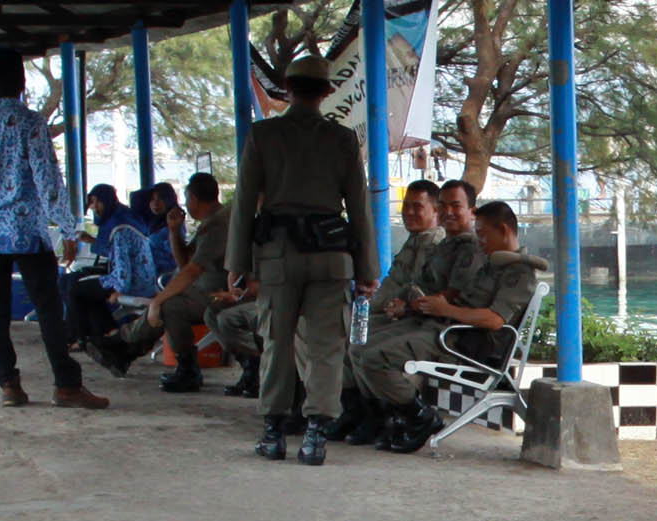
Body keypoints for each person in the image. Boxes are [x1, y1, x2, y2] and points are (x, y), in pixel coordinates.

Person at [227, 51, 376, 466]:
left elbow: (243, 206)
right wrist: (368, 269)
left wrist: (236, 264)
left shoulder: (263, 135)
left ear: (288, 90)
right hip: (331, 256)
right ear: (327, 92)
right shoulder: (343, 139)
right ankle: (315, 438)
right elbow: (359, 209)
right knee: (327, 347)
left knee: (276, 342)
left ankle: (273, 433)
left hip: (277, 256)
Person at [0, 52, 105, 409]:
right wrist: (68, 228)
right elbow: (48, 180)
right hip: (26, 230)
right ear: (22, 84)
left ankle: (9, 385)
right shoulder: (31, 123)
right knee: (48, 308)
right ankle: (66, 385)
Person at [371, 200, 548, 455]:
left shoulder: (519, 272)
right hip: (450, 331)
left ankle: (418, 417)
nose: (480, 240)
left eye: (484, 234)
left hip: (466, 344)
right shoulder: (493, 264)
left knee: (374, 358)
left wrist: (446, 310)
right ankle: (394, 416)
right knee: (364, 348)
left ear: (504, 230)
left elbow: (495, 320)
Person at [321, 178, 444, 444]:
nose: (409, 212)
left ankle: (382, 413)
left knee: (359, 339)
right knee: (346, 328)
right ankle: (358, 408)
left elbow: (422, 290)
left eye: (417, 207)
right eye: (406, 206)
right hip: (391, 312)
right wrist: (370, 303)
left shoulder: (436, 245)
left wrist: (397, 306)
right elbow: (391, 285)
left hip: (415, 320)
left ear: (436, 211)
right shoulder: (414, 242)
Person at [98, 171, 233, 391]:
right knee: (170, 303)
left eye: (187, 199)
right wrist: (174, 231)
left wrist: (156, 301)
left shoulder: (218, 225)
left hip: (219, 291)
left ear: (193, 199)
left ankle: (126, 346)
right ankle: (124, 350)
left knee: (170, 305)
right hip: (203, 289)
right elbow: (185, 261)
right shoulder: (211, 221)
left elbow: (191, 270)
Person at [67, 185, 161, 358]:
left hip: (133, 282)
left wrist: (119, 289)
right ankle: (104, 333)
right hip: (142, 279)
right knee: (86, 288)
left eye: (95, 202)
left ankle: (81, 337)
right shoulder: (125, 218)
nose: (93, 207)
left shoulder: (118, 226)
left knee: (76, 289)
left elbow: (123, 268)